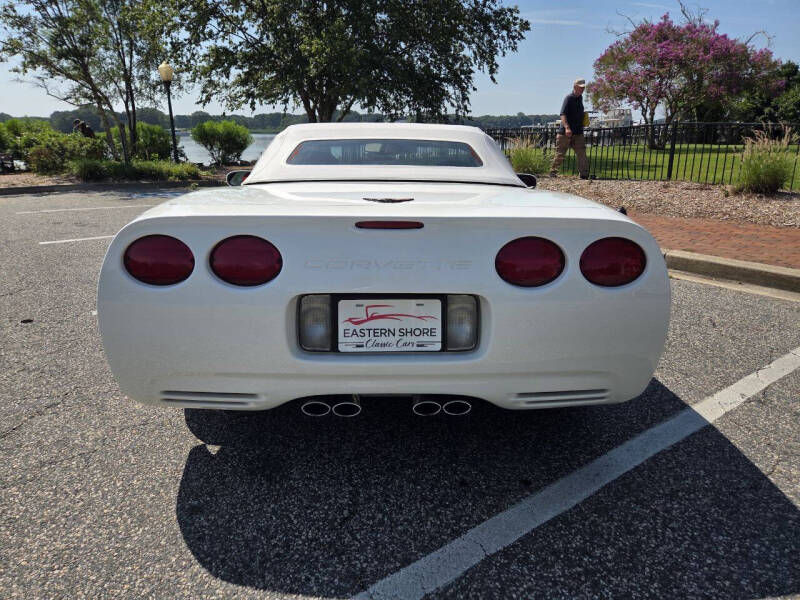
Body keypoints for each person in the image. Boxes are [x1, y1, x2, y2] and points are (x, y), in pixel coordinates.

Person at [550, 78, 589, 179]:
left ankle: (584, 174)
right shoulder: (569, 98)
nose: (582, 89)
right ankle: (553, 172)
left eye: (583, 87)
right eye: (580, 87)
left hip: (578, 132)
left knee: (582, 153)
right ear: (575, 87)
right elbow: (563, 114)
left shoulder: (580, 98)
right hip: (565, 133)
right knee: (560, 153)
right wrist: (567, 128)